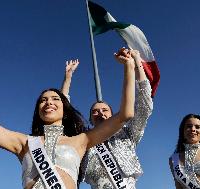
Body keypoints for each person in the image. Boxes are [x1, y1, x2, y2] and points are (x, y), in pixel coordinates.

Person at [0, 38, 136, 189]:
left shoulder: (81, 140)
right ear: (38, 110)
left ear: (65, 108)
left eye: (55, 99)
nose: (49, 102)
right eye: (43, 100)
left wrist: (129, 66)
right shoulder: (22, 142)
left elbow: (125, 114)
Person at [61, 48, 153, 189]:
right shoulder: (85, 139)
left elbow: (144, 106)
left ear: (113, 115)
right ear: (91, 119)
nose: (100, 113)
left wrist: (137, 65)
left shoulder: (128, 133)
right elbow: (63, 115)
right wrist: (68, 78)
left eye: (105, 110)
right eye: (95, 112)